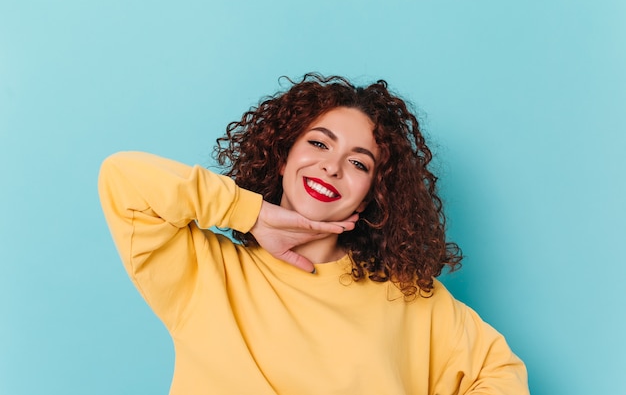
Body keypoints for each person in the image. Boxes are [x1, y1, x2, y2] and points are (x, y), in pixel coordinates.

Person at [98, 74, 529, 394]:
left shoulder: (409, 298)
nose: (332, 166)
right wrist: (248, 214)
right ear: (283, 158)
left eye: (359, 163)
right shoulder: (207, 270)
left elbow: (500, 372)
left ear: (368, 197)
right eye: (319, 144)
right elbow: (124, 179)